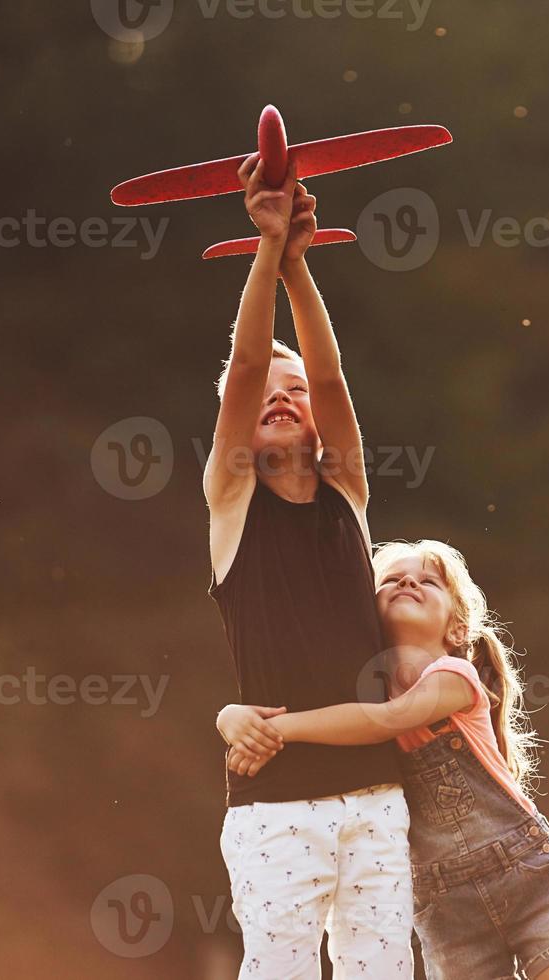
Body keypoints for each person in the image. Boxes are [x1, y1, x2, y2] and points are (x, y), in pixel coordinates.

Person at [220, 540, 549, 980]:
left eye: (429, 581)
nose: (408, 581)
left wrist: (278, 729)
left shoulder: (454, 677)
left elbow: (386, 720)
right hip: (445, 908)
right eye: (391, 579)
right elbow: (331, 712)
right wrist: (231, 715)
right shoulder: (354, 701)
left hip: (525, 876)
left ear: (457, 628)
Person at [206, 152, 410, 979]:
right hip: (273, 806)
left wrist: (298, 265)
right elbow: (249, 362)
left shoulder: (346, 493)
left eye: (294, 393)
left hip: (378, 798)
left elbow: (327, 374)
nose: (280, 395)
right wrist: (264, 249)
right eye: (261, 397)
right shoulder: (229, 501)